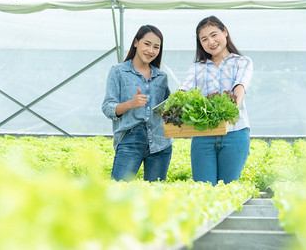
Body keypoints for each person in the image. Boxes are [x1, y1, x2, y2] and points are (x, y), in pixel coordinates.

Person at [180, 15, 253, 186]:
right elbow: (185, 89)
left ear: (225, 32)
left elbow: (240, 85)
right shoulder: (198, 67)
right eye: (204, 39)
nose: (211, 42)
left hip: (235, 133)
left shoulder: (242, 62)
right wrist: (176, 103)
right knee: (204, 190)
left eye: (214, 35)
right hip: (204, 135)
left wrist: (234, 107)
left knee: (227, 190)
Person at [102, 25, 173, 182]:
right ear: (136, 43)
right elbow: (108, 107)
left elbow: (169, 110)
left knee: (155, 197)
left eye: (156, 47)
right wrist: (130, 104)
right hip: (129, 140)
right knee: (118, 193)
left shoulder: (161, 76)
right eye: (146, 44)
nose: (151, 51)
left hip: (161, 143)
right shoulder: (118, 71)